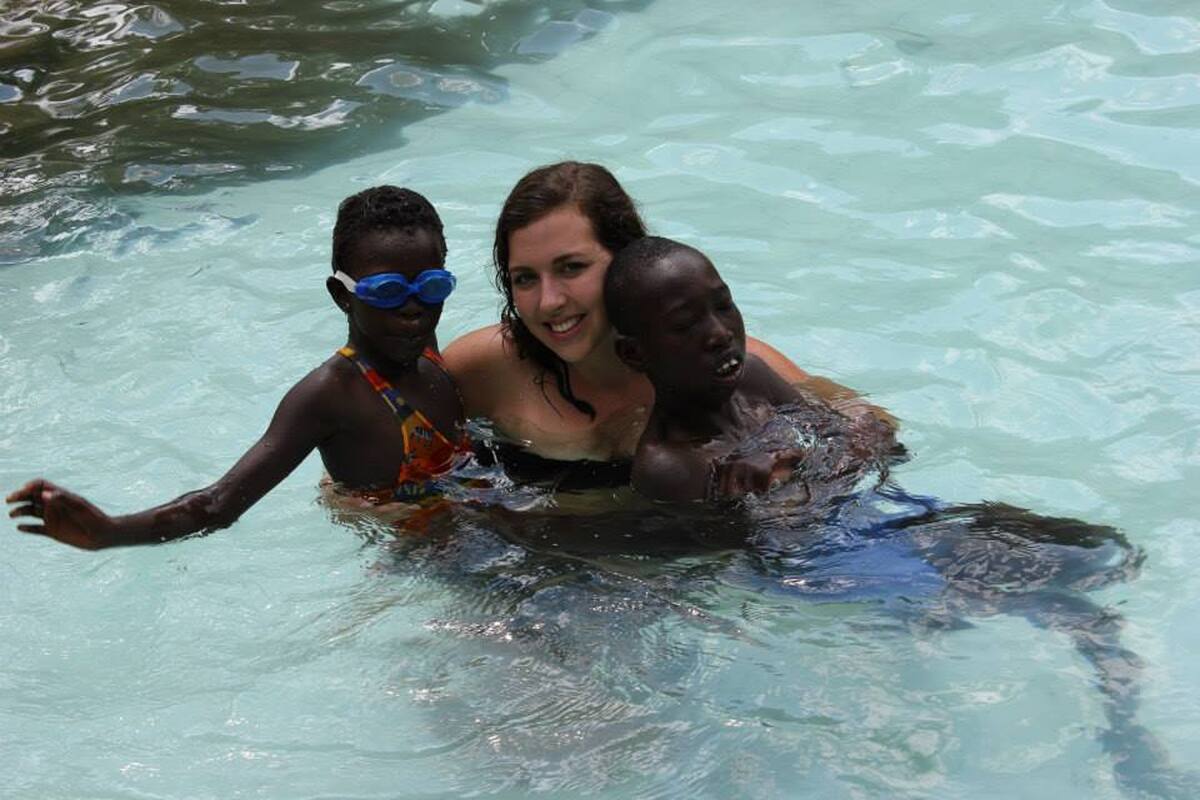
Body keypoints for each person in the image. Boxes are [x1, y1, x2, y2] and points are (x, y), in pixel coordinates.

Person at [7, 186, 467, 549]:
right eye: (386, 292)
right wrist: (110, 532)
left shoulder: (418, 339)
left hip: (467, 510)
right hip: (418, 553)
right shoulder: (332, 395)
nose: (414, 309)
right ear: (341, 295)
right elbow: (218, 504)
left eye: (432, 286)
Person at [443, 161, 886, 471]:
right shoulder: (484, 367)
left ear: (627, 260)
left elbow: (870, 423)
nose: (548, 301)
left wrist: (789, 461)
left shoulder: (718, 361)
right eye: (524, 278)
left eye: (571, 268)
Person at [604, 236, 895, 502]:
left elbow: (858, 440)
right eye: (685, 325)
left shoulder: (753, 378)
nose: (720, 333)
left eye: (723, 305)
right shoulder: (666, 465)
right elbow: (773, 545)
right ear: (634, 354)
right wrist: (753, 500)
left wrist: (794, 475)